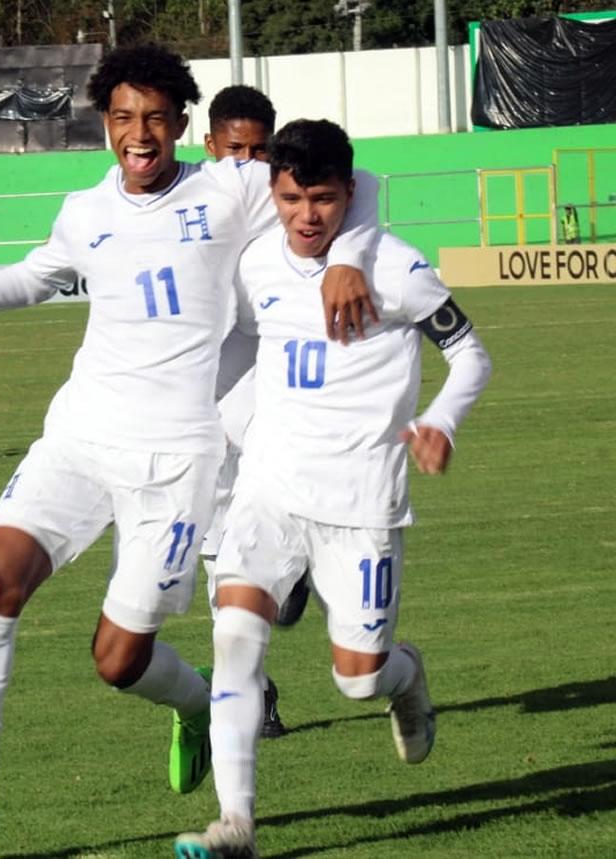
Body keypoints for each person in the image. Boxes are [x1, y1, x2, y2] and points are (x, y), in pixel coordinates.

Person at [0, 46, 379, 851]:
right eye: (123, 117)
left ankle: (190, 704)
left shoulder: (231, 188)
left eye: (154, 117)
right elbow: (41, 275)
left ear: (183, 124)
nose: (138, 134)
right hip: (79, 435)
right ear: (105, 124)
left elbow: (355, 188)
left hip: (175, 461)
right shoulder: (86, 211)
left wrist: (347, 263)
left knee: (117, 659)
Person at [174, 119, 493, 859]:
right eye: (291, 199)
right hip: (270, 490)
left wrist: (440, 418)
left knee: (357, 678)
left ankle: (405, 678)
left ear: (350, 193)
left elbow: (471, 354)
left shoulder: (400, 269)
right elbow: (239, 340)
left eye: (322, 199)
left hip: (361, 505)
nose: (306, 216)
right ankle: (236, 823)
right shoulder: (257, 265)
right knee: (234, 638)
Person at [200, 84, 303, 741]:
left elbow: (365, 184)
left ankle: (295, 567)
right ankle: (255, 690)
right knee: (215, 553)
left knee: (277, 487)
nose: (246, 162)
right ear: (209, 146)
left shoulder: (288, 196)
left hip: (267, 360)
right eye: (234, 149)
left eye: (258, 150)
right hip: (203, 378)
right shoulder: (187, 196)